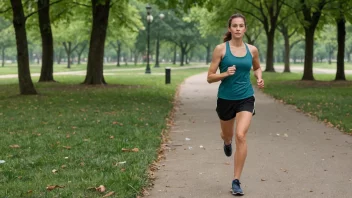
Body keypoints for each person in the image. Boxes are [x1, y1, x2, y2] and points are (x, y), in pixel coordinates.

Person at [206, 13, 264, 196]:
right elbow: (209, 77)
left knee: (241, 135)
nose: (238, 28)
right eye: (235, 26)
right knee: (228, 134)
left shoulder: (252, 50)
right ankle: (226, 141)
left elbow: (257, 67)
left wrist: (260, 77)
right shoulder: (221, 49)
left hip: (246, 97)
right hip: (225, 99)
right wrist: (225, 74)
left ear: (245, 29)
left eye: (241, 26)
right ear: (230, 29)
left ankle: (236, 181)